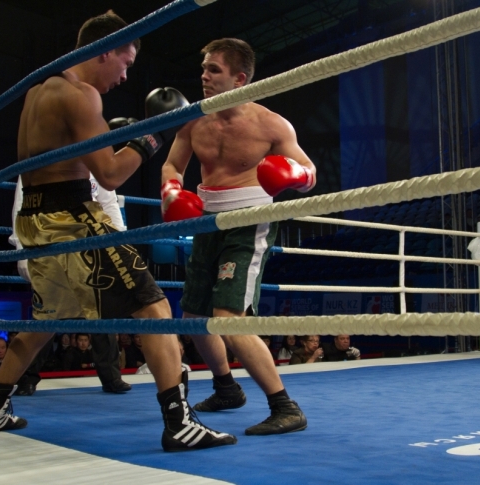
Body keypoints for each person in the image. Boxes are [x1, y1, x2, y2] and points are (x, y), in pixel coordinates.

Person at [0, 11, 235, 452]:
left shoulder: (39, 90)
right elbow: (110, 176)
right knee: (154, 310)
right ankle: (179, 424)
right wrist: (151, 136)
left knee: (47, 320)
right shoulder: (81, 95)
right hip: (70, 218)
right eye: (125, 62)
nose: (126, 74)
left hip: (33, 220)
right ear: (105, 50)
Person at [161, 38, 314, 435]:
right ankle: (226, 388)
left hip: (249, 220)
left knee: (228, 318)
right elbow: (172, 165)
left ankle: (285, 405)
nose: (204, 76)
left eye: (214, 70)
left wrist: (292, 174)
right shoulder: (194, 119)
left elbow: (309, 172)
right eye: (204, 69)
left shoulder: (269, 123)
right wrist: (172, 191)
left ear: (239, 78)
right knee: (194, 317)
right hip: (205, 221)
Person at [10, 173, 131, 394]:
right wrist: (22, 250)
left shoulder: (96, 157)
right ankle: (27, 377)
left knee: (102, 312)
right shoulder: (42, 153)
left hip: (91, 242)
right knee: (47, 314)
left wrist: (118, 243)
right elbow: (22, 203)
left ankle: (111, 376)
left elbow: (108, 203)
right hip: (50, 242)